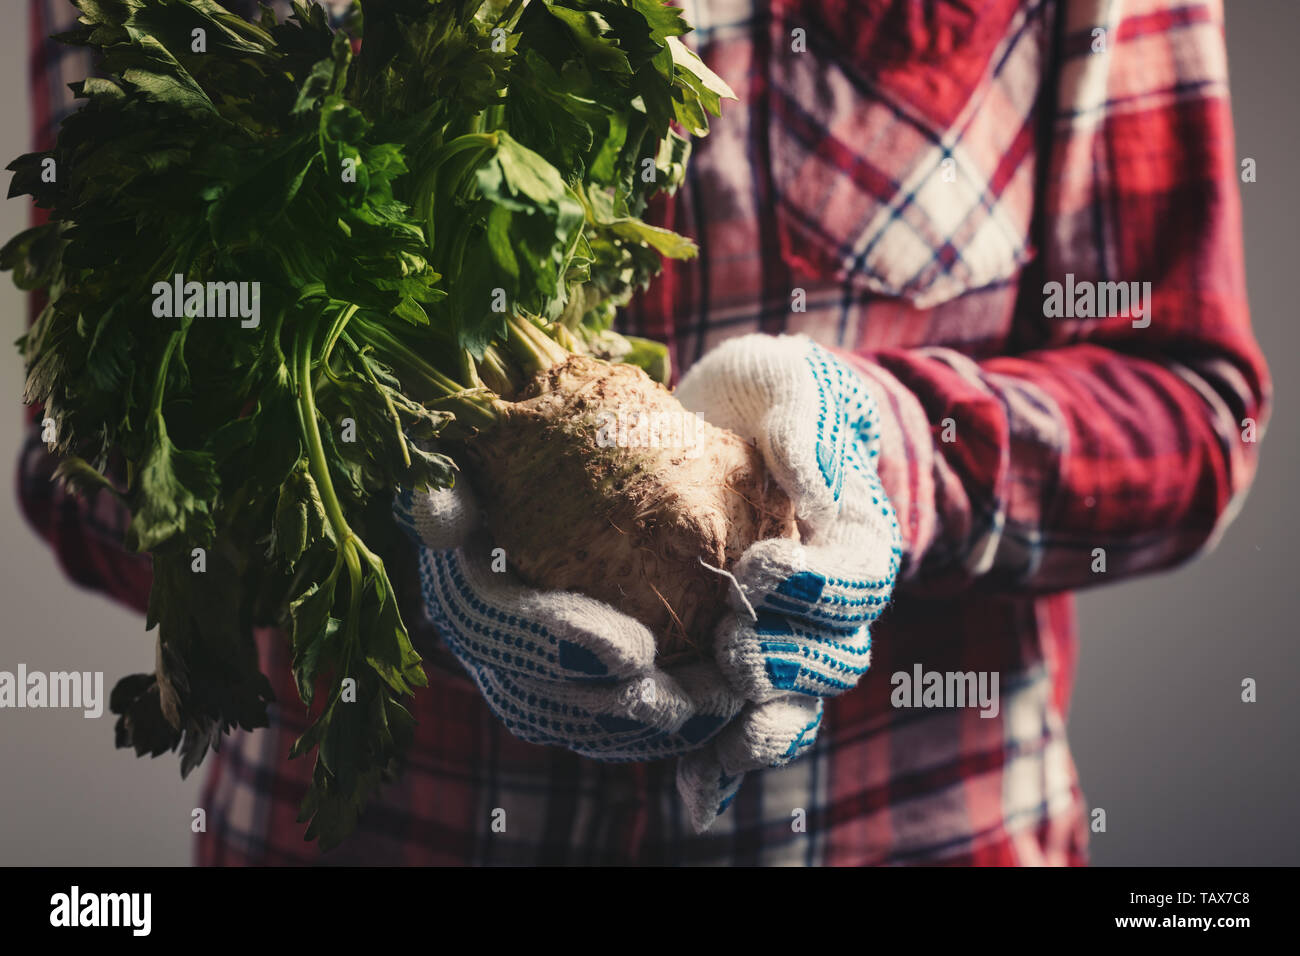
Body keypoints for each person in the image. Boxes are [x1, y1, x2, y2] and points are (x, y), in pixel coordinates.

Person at [18, 0, 1269, 865]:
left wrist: (880, 451)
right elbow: (92, 437)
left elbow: (1191, 405)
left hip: (924, 828)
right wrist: (391, 540)